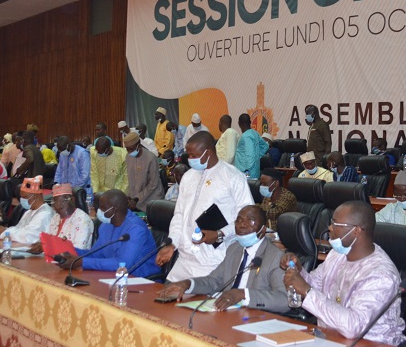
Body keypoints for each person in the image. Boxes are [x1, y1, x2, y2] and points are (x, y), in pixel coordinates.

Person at [281, 201, 405, 345]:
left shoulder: (381, 275)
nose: (330, 228)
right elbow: (316, 284)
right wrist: (299, 271)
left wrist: (307, 291)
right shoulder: (337, 255)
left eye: (336, 224)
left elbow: (353, 326)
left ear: (356, 231)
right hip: (331, 338)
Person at [156, 131, 253, 282]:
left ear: (208, 153)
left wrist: (220, 234)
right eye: (188, 155)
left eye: (194, 155)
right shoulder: (188, 176)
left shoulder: (233, 177)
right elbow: (179, 214)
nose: (190, 159)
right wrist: (172, 243)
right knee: (167, 295)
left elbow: (247, 219)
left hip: (214, 260)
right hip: (184, 259)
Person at [158, 205, 289, 312]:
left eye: (251, 221)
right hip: (226, 313)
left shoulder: (275, 256)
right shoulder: (234, 249)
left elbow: (284, 300)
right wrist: (188, 284)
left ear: (263, 229)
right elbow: (213, 281)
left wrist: (243, 294)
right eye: (239, 220)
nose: (242, 225)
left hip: (255, 317)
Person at [60, 189, 161, 277]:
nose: (98, 211)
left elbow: (122, 264)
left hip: (143, 280)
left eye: (102, 208)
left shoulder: (136, 229)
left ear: (114, 209)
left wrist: (82, 262)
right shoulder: (106, 225)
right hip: (114, 277)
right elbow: (95, 254)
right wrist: (68, 249)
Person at [30, 183, 93, 253]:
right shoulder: (56, 217)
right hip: (53, 257)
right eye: (55, 202)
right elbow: (49, 240)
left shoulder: (83, 220)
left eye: (63, 201)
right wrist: (42, 244)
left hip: (74, 259)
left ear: (72, 200)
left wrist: (48, 246)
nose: (59, 205)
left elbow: (77, 251)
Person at [0, 176, 53, 244]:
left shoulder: (45, 214)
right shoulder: (29, 211)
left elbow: (29, 237)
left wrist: (5, 233)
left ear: (35, 195)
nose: (22, 200)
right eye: (21, 197)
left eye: (24, 197)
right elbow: (19, 229)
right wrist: (5, 230)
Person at [124, 131, 164, 211]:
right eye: (127, 149)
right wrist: (129, 196)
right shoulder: (128, 157)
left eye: (131, 149)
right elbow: (130, 179)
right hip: (134, 200)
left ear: (138, 145)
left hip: (152, 198)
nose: (129, 152)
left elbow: (153, 184)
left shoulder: (151, 158)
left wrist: (137, 198)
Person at [234, 113, 268, 178]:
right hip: (254, 172)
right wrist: (256, 157)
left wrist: (247, 173)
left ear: (239, 123)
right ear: (250, 122)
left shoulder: (246, 136)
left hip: (247, 174)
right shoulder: (254, 133)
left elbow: (250, 156)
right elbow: (265, 146)